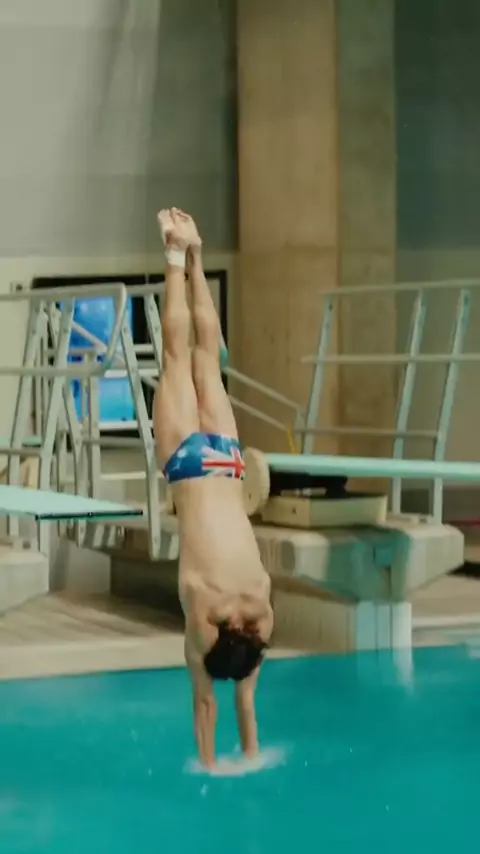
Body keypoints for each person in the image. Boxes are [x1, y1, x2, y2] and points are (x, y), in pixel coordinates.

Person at [153, 208, 274, 769]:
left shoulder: (261, 606)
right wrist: (206, 765)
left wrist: (250, 754)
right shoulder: (202, 605)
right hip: (188, 464)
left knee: (208, 357)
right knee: (176, 357)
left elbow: (246, 696)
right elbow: (207, 702)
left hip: (227, 463)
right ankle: (173, 253)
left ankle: (196, 253)